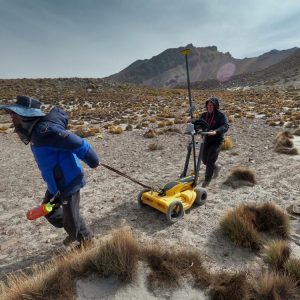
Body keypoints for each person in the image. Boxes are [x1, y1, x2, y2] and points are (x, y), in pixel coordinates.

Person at [0, 95, 100, 247]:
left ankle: (87, 243)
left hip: (68, 183)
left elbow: (77, 143)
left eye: (14, 118)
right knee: (49, 211)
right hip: (55, 185)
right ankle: (72, 230)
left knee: (73, 220)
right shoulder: (35, 132)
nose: (13, 123)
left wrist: (93, 160)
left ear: (25, 117)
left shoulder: (45, 132)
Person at [194, 96, 228, 188]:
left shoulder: (221, 116)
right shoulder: (204, 115)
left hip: (217, 141)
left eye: (211, 105)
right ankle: (216, 168)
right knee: (204, 160)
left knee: (210, 160)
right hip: (206, 140)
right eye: (208, 105)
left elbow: (225, 126)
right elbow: (198, 124)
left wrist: (216, 131)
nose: (209, 107)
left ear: (215, 106)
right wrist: (196, 128)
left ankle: (207, 180)